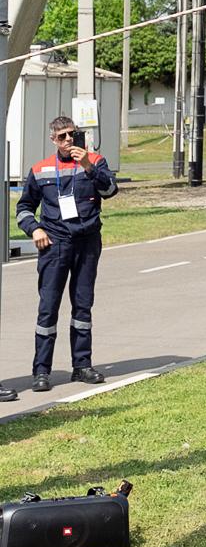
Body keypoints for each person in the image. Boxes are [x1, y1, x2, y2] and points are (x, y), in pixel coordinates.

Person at [15, 115, 118, 392]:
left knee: (83, 306)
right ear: (53, 139)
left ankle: (82, 366)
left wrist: (88, 166)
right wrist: (35, 229)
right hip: (55, 244)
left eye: (72, 134)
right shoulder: (41, 169)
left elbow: (110, 190)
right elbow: (23, 208)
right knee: (48, 308)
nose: (69, 140)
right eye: (62, 136)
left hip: (87, 242)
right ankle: (41, 371)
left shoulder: (95, 161)